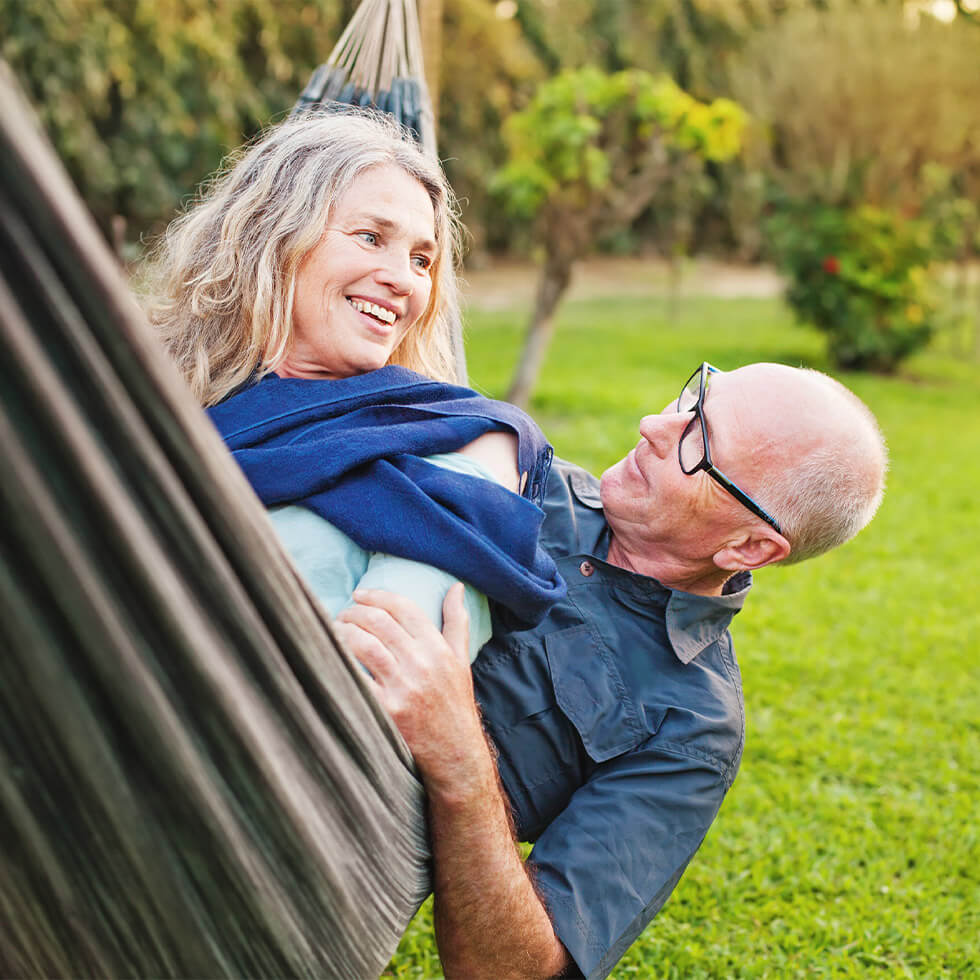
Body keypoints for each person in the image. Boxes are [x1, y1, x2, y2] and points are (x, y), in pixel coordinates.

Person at [336, 360, 888, 979]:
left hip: (317, 837)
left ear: (749, 548)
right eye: (692, 399)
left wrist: (461, 756)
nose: (655, 424)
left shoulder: (690, 731)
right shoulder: (515, 469)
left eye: (698, 441)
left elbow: (515, 972)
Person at [143, 110, 564, 659]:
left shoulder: (464, 439)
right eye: (370, 237)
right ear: (273, 235)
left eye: (421, 259)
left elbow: (386, 673)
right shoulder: (148, 402)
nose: (403, 280)